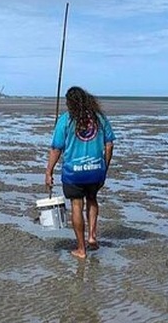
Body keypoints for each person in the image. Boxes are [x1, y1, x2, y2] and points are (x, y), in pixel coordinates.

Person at [45, 86, 115, 259]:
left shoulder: (66, 120)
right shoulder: (99, 118)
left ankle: (81, 249)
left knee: (77, 205)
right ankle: (92, 236)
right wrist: (104, 166)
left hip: (73, 173)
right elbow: (109, 144)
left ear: (69, 103)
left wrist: (49, 171)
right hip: (96, 171)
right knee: (92, 199)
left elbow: (56, 148)